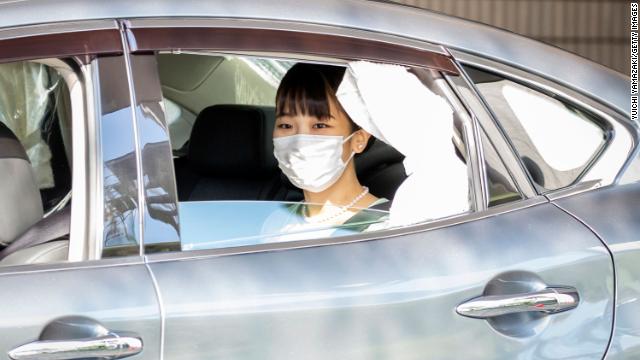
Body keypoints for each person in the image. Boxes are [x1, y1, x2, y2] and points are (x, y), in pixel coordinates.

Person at [269, 63, 389, 234]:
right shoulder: (276, 220)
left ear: (359, 139)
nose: (299, 142)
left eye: (319, 125)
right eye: (286, 125)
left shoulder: (384, 230)